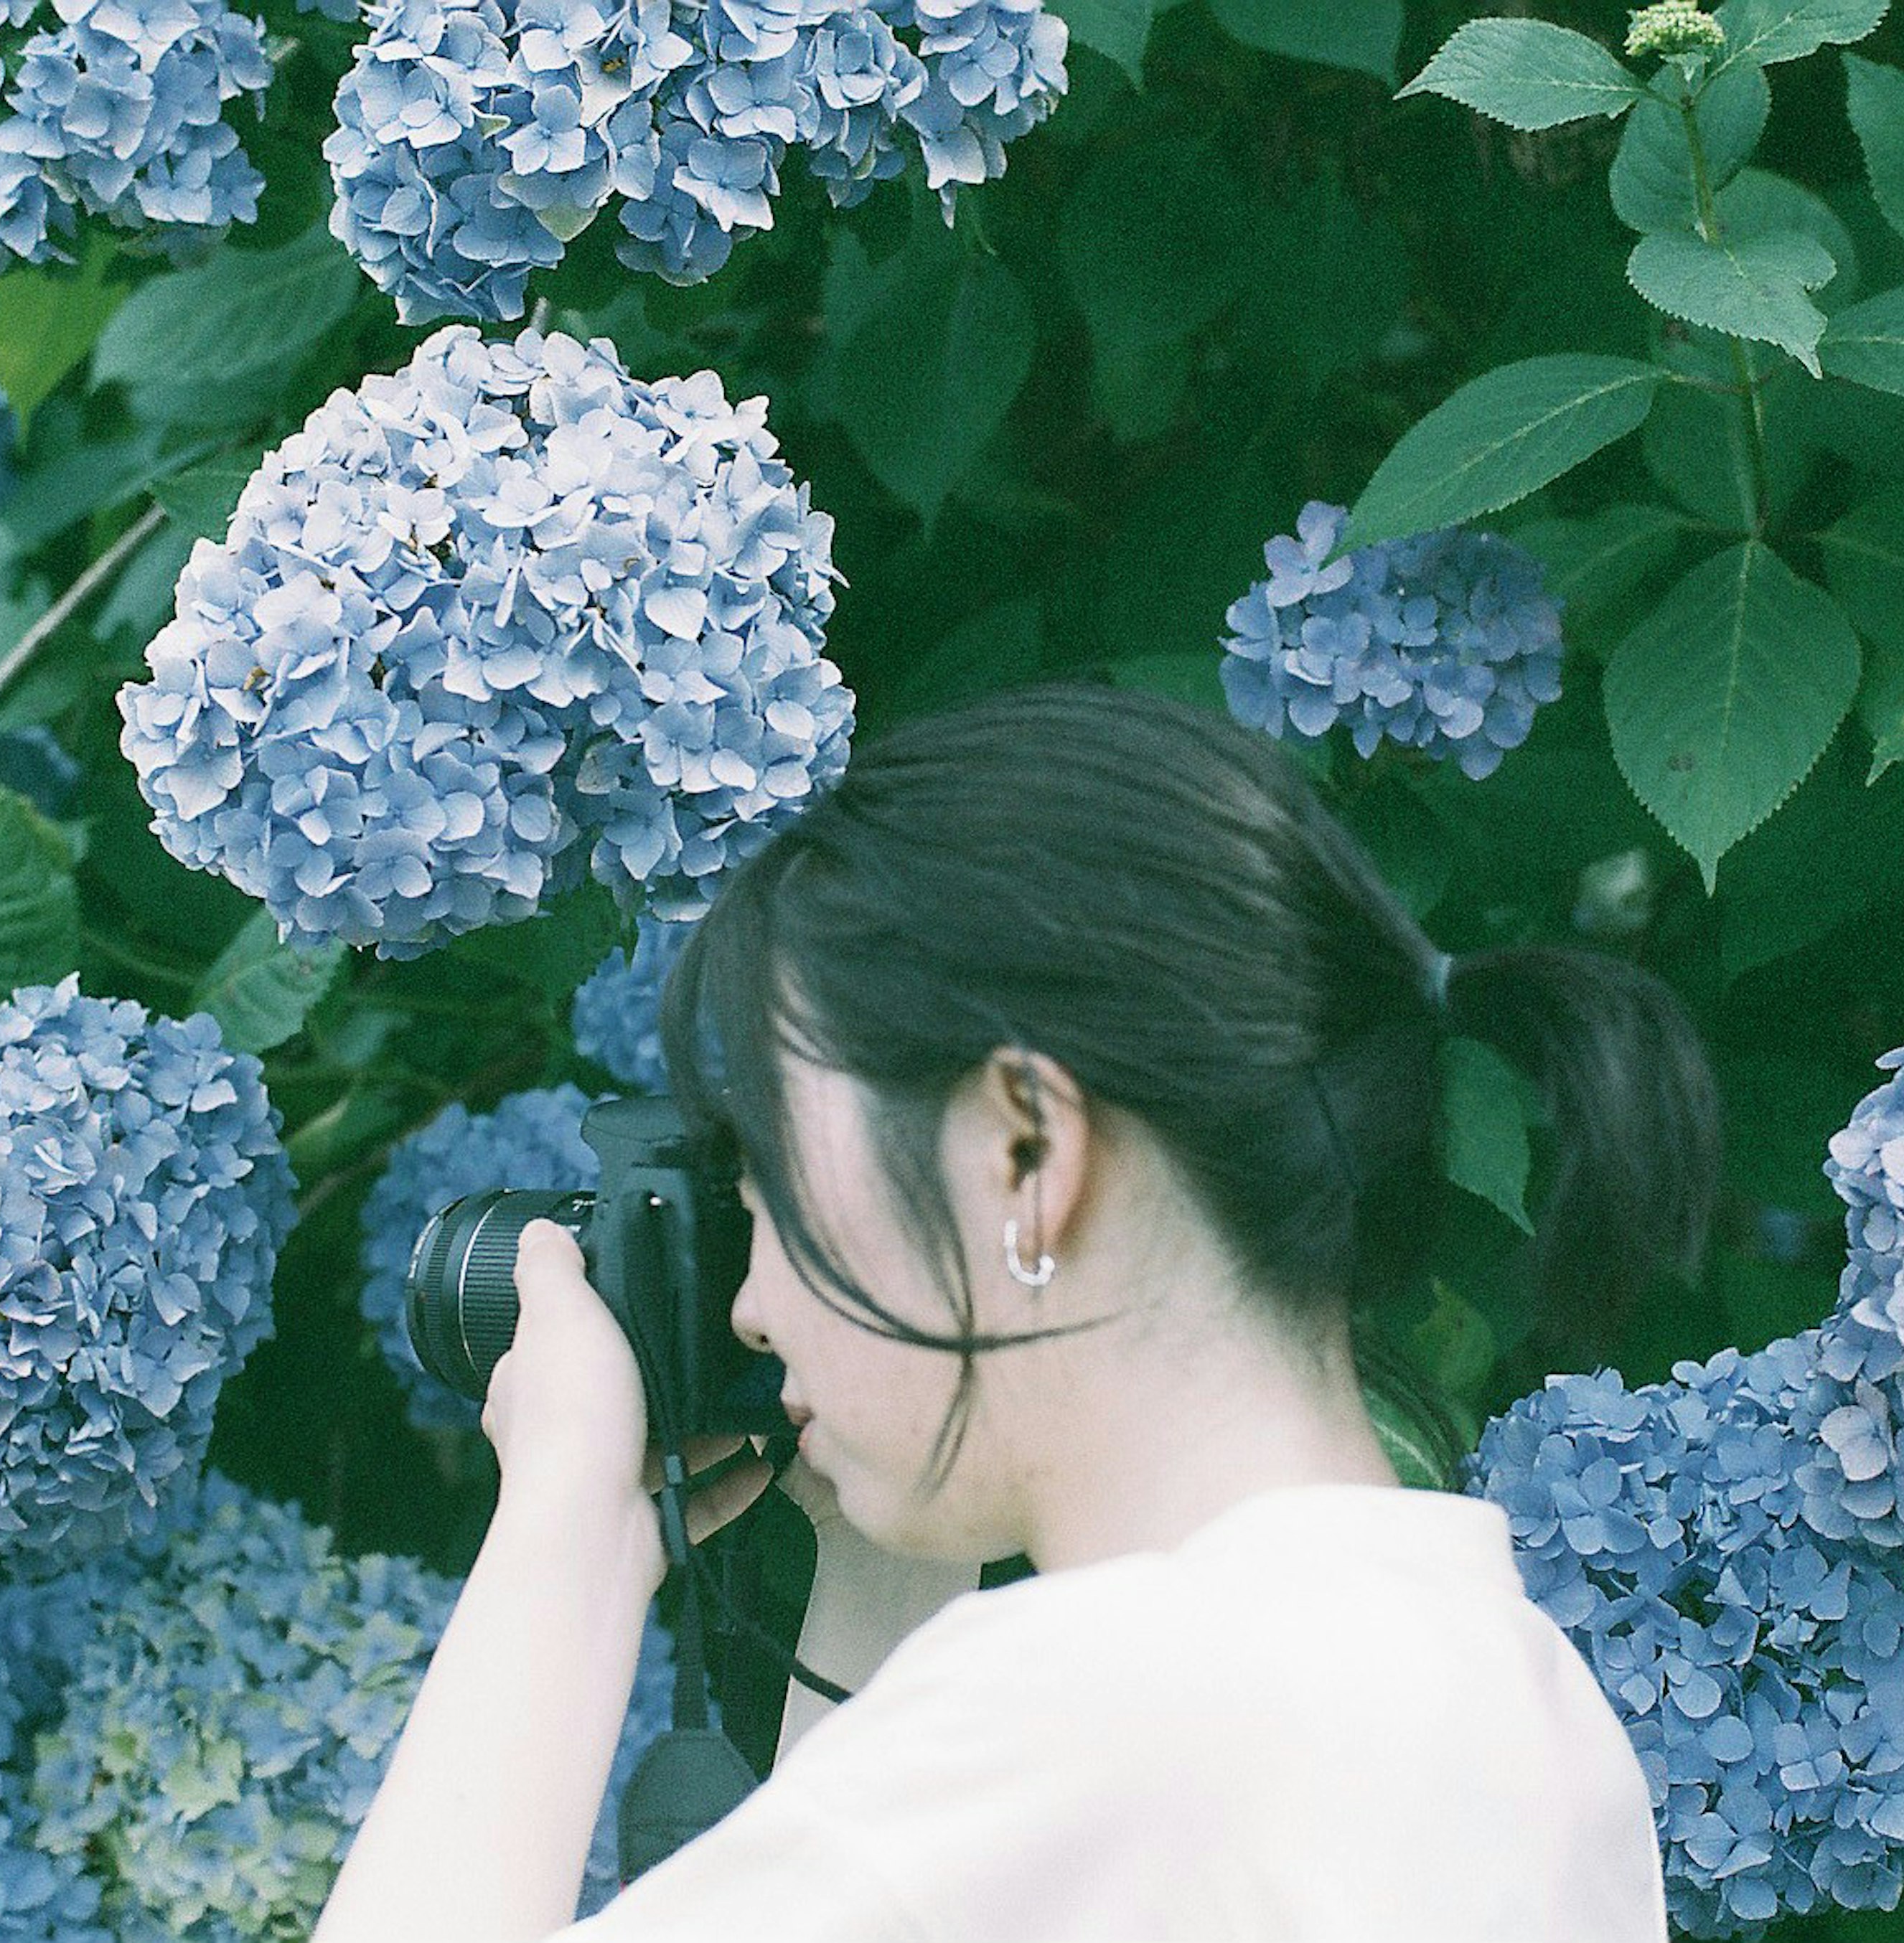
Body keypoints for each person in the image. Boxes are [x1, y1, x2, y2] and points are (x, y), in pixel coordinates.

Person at [311, 681, 1717, 1943]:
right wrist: (887, 1558)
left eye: (778, 1183)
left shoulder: (1102, 1709)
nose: (749, 1304)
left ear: (1026, 1152)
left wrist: (570, 1526)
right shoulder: (1521, 1702)